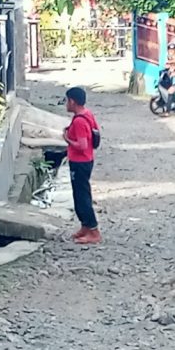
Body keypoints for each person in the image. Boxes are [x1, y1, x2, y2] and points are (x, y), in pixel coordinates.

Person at [62, 85, 101, 245]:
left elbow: (82, 145)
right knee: (81, 194)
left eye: (67, 101)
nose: (66, 104)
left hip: (80, 162)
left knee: (82, 197)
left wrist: (67, 139)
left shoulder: (79, 121)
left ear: (72, 101)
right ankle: (85, 226)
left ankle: (93, 230)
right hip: (87, 160)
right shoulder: (87, 114)